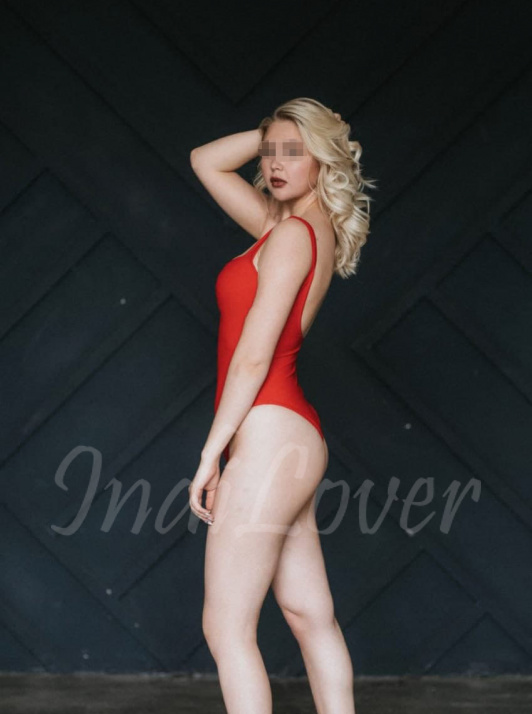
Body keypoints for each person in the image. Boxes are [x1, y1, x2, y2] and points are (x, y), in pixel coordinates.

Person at [188, 97, 375, 714]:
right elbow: (205, 160)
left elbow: (252, 357)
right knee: (308, 613)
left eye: (295, 153)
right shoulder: (289, 226)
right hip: (293, 434)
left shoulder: (292, 235)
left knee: (226, 626)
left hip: (268, 434)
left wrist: (211, 455)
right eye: (270, 152)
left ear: (323, 159)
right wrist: (276, 131)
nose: (274, 163)